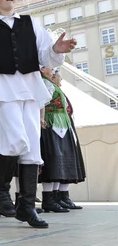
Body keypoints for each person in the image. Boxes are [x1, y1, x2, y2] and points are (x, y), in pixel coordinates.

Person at [0, 0, 77, 229]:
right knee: (16, 140)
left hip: (29, 89)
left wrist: (56, 51)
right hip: (3, 89)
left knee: (32, 151)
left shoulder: (31, 23)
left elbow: (44, 53)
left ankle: (27, 207)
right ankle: (1, 191)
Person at [38, 67, 86, 212]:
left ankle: (61, 197)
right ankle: (49, 198)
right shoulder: (45, 84)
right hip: (53, 125)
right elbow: (41, 102)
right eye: (56, 75)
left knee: (62, 161)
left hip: (61, 125)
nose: (58, 77)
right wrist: (41, 118)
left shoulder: (51, 86)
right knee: (54, 161)